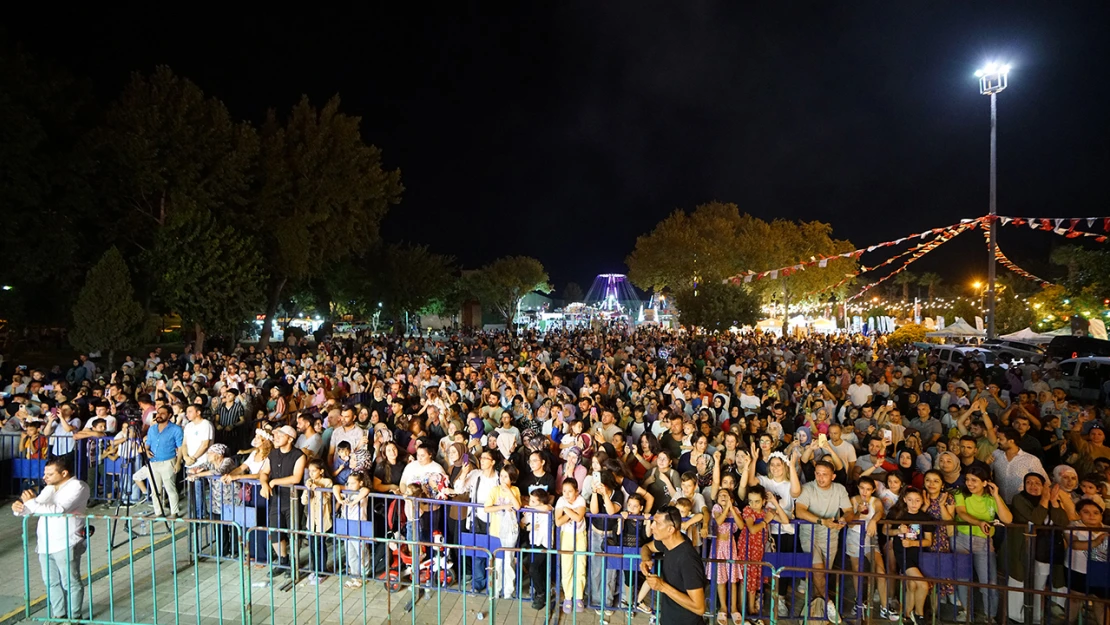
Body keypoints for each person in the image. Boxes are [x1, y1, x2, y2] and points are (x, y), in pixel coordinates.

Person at [11, 458, 90, 621]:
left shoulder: (78, 487)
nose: (44, 477)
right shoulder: (49, 488)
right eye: (44, 473)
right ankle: (59, 615)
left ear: (64, 473)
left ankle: (75, 617)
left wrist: (31, 503)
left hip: (66, 542)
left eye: (49, 474)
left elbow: (58, 510)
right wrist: (19, 509)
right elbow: (34, 508)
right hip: (45, 544)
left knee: (71, 582)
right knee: (51, 582)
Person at [794, 460, 853, 621]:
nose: (820, 478)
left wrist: (844, 520)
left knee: (821, 574)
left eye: (824, 474)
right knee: (819, 571)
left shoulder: (839, 489)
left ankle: (817, 611)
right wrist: (822, 521)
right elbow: (799, 511)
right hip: (809, 535)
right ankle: (828, 604)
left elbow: (849, 511)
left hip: (831, 536)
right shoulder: (807, 488)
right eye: (818, 473)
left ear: (833, 476)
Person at [953, 465, 1012, 622]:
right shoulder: (961, 493)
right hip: (961, 538)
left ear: (985, 482)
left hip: (984, 542)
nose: (969, 484)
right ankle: (967, 612)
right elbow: (961, 512)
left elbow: (1008, 519)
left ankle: (989, 616)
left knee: (989, 581)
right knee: (963, 579)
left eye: (974, 480)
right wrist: (979, 522)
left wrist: (997, 496)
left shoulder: (991, 498)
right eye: (967, 480)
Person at [640, 505, 707, 625]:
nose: (652, 526)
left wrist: (662, 586)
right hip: (668, 618)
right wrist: (646, 560)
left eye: (657, 523)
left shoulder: (688, 559)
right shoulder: (668, 542)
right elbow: (646, 547)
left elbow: (700, 608)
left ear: (670, 529)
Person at [260, 425, 307, 575]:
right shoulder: (273, 454)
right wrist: (264, 484)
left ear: (290, 439)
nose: (277, 437)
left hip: (292, 499)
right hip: (276, 499)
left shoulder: (299, 455)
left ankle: (295, 561)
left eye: (281, 435)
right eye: (276, 435)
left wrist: (274, 482)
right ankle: (283, 560)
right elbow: (264, 472)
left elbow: (296, 477)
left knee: (293, 531)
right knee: (275, 530)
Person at [555, 478, 589, 614]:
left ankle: (579, 597)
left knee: (581, 564)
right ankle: (568, 597)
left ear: (576, 491)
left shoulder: (581, 500)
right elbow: (558, 522)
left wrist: (566, 510)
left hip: (580, 535)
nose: (567, 494)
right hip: (567, 536)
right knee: (567, 566)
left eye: (570, 491)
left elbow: (579, 518)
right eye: (564, 491)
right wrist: (571, 513)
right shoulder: (560, 501)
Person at [144, 405, 184, 518]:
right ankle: (159, 512)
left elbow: (180, 447)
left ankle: (174, 512)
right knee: (155, 490)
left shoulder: (176, 429)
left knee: (170, 488)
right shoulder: (152, 428)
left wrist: (178, 463)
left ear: (169, 415)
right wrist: (146, 451)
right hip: (153, 462)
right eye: (158, 413)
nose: (159, 415)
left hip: (168, 461)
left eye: (162, 413)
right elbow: (148, 444)